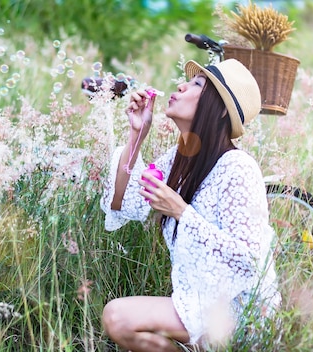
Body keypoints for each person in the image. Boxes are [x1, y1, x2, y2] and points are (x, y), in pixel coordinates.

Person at [99, 58, 281, 351]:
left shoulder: (237, 167)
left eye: (197, 84)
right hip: (200, 302)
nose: (181, 86)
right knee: (119, 320)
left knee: (118, 316)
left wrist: (182, 213)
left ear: (220, 108)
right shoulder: (181, 159)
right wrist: (137, 136)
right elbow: (124, 204)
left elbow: (249, 259)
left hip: (241, 312)